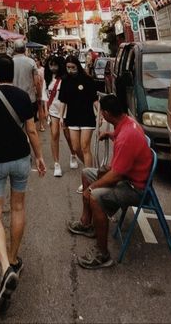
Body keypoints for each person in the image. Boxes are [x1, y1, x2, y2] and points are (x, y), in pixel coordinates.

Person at [0, 53, 46, 315]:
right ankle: (14, 258)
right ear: (13, 73)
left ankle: (5, 268)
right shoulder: (23, 97)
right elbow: (32, 130)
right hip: (20, 160)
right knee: (18, 208)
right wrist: (39, 157)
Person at [67, 94, 152, 269]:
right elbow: (121, 140)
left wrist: (91, 188)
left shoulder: (127, 137)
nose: (101, 115)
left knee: (94, 196)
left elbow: (115, 175)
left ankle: (102, 254)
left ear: (106, 113)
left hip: (134, 187)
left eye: (101, 112)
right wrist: (110, 134)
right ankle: (87, 224)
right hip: (127, 178)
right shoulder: (125, 122)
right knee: (86, 173)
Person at [58, 55, 98, 191]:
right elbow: (62, 100)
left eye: (73, 67)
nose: (70, 70)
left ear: (78, 66)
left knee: (85, 146)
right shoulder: (65, 81)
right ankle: (91, 170)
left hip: (87, 117)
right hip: (72, 117)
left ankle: (88, 181)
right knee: (75, 147)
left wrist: (101, 113)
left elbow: (94, 99)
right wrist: (61, 117)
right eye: (68, 68)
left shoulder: (87, 80)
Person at [43, 55, 78, 176]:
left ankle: (73, 154)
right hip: (52, 110)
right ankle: (56, 163)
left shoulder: (65, 78)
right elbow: (44, 95)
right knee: (54, 134)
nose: (53, 67)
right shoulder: (46, 78)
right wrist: (45, 110)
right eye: (51, 65)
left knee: (68, 135)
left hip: (66, 110)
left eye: (55, 65)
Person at [11, 40, 42, 124]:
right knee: (30, 125)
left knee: (16, 125)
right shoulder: (31, 62)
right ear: (25, 49)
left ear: (14, 49)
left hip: (13, 99)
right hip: (29, 99)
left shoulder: (10, 62)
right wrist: (39, 96)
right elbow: (37, 82)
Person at [34, 57, 47, 131]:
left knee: (40, 108)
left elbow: (43, 81)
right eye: (35, 61)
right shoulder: (33, 70)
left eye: (37, 60)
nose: (36, 62)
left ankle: (41, 125)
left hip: (41, 90)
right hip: (33, 91)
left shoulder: (43, 69)